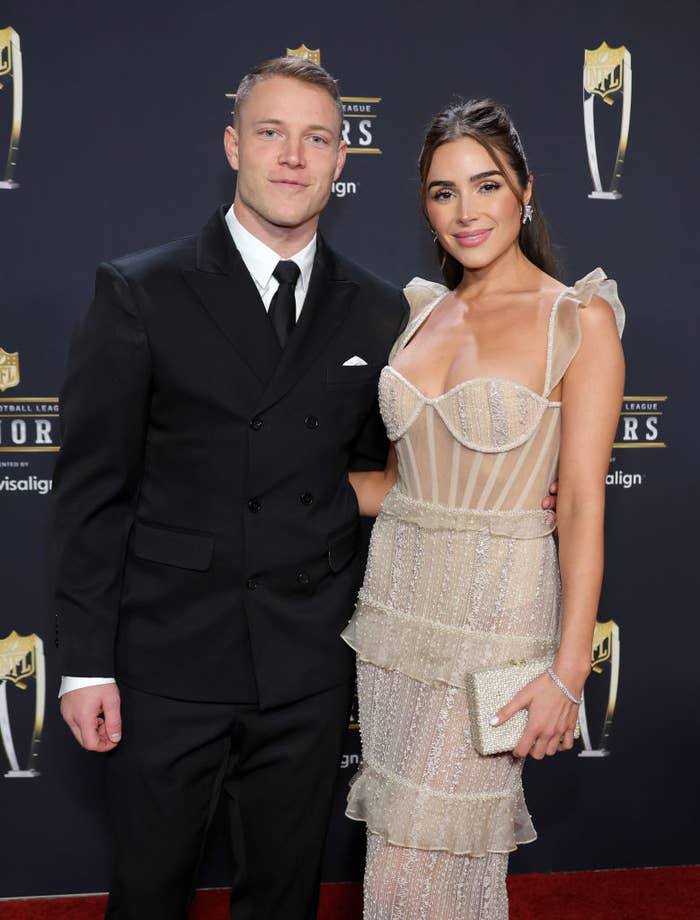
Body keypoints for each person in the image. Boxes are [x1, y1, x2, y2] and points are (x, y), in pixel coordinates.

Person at [50, 56, 410, 920]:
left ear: (340, 161)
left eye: (317, 138)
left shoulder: (378, 309)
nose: (293, 156)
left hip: (309, 654)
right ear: (233, 146)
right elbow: (92, 495)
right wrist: (83, 665)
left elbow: (376, 477)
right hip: (170, 653)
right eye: (271, 133)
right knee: (149, 892)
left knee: (285, 894)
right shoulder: (141, 291)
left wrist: (493, 498)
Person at [342, 99, 625, 919]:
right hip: (395, 612)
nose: (465, 212)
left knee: (422, 870)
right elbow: (399, 485)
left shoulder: (577, 319)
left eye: (486, 185)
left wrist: (568, 675)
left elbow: (579, 509)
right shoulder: (419, 312)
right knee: (405, 854)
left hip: (499, 614)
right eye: (442, 192)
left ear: (525, 191)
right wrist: (258, 492)